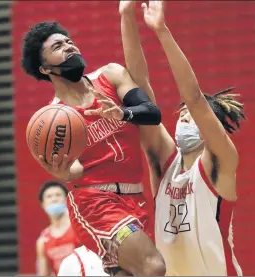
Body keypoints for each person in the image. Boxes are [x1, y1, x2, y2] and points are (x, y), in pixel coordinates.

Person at [21, 21, 166, 276]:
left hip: (135, 196)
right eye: (58, 46)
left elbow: (152, 113)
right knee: (153, 266)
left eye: (68, 41)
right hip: (95, 202)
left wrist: (122, 113)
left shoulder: (111, 75)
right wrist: (61, 171)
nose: (68, 47)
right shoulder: (56, 121)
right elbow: (75, 173)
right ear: (45, 68)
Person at [117, 1, 244, 275]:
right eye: (182, 114)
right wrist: (126, 15)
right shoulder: (166, 164)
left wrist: (162, 31)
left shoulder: (220, 161)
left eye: (193, 115)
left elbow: (195, 98)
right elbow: (139, 89)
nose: (185, 117)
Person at [36, 181, 80, 276]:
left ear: (67, 199)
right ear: (42, 204)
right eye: (49, 196)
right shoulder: (43, 241)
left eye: (58, 195)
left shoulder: (79, 228)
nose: (54, 199)